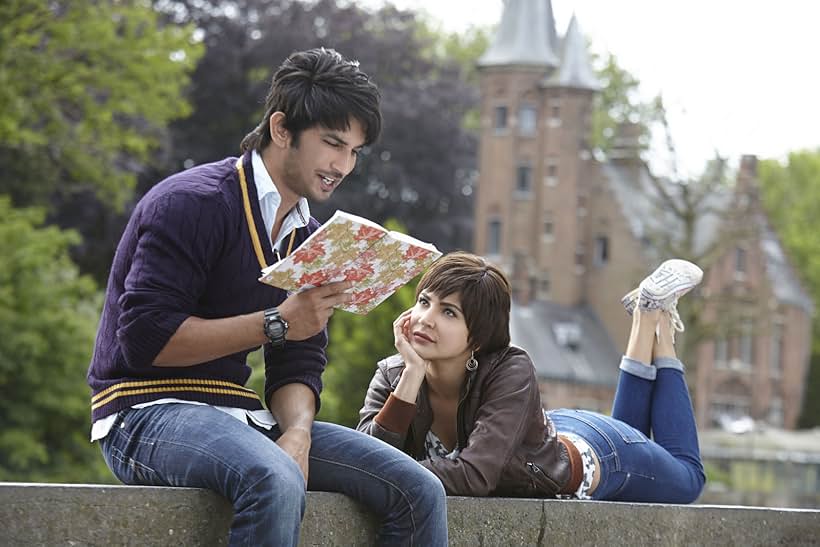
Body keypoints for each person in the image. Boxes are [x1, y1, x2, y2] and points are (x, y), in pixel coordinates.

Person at [87, 48, 447, 546]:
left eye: (354, 152)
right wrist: (276, 321)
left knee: (420, 489)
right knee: (273, 477)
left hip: (242, 416)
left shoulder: (313, 237)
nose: (342, 165)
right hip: (142, 412)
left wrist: (297, 431)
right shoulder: (191, 203)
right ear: (282, 129)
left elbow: (299, 358)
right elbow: (145, 341)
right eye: (332, 144)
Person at [358, 252, 706, 503]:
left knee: (688, 478)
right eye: (423, 301)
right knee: (635, 433)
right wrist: (411, 376)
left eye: (448, 312)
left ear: (477, 337)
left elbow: (475, 476)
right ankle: (647, 311)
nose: (425, 319)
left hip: (602, 454)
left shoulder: (512, 368)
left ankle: (660, 331)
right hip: (550, 428)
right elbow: (366, 458)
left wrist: (392, 474)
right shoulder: (393, 373)